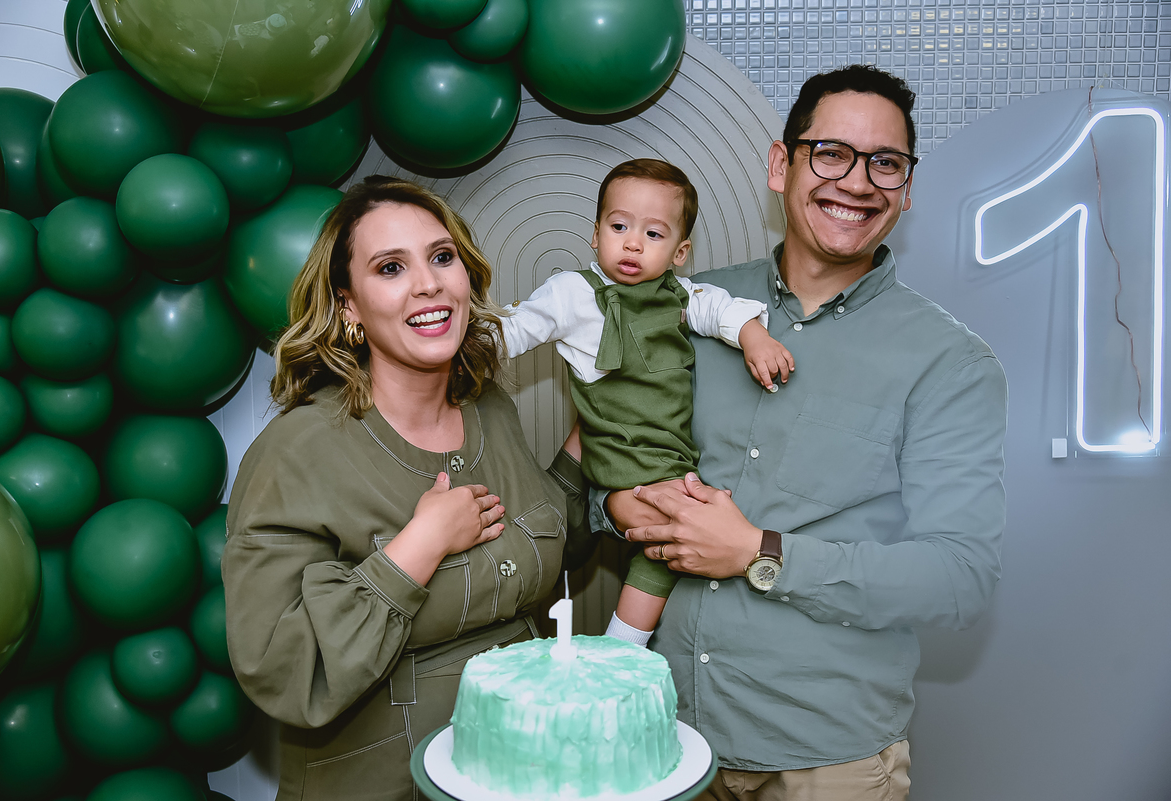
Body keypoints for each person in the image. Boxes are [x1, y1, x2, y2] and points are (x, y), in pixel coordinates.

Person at [599, 66, 1008, 800]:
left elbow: (959, 579)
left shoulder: (951, 362)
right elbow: (597, 460)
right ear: (780, 164)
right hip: (662, 739)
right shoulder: (679, 308)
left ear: (906, 189)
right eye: (830, 153)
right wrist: (613, 504)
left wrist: (760, 553)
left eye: (885, 163)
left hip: (827, 763)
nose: (857, 181)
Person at [222, 175, 592, 801]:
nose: (428, 283)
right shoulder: (295, 453)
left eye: (441, 257)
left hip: (519, 775)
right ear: (348, 307)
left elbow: (546, 540)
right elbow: (284, 671)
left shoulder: (491, 408)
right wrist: (421, 545)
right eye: (391, 268)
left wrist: (598, 431)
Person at [499, 158, 794, 646]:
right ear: (595, 235)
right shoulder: (574, 293)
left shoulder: (678, 294)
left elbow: (718, 307)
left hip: (670, 460)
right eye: (619, 227)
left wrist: (752, 335)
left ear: (680, 251)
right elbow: (517, 329)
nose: (633, 242)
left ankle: (618, 650)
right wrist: (455, 350)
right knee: (673, 538)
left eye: (654, 235)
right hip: (621, 456)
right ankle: (623, 651)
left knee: (668, 548)